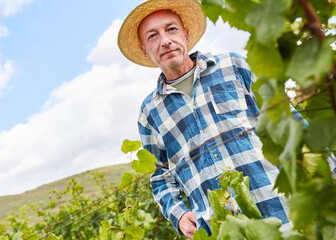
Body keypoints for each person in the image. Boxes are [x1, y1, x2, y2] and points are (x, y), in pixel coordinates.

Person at [118, 0, 290, 238]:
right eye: (153, 36)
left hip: (282, 209)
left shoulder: (233, 66)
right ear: (145, 50)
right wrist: (178, 213)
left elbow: (286, 120)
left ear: (186, 35)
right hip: (220, 229)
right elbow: (160, 176)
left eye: (171, 29)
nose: (165, 40)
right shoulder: (150, 113)